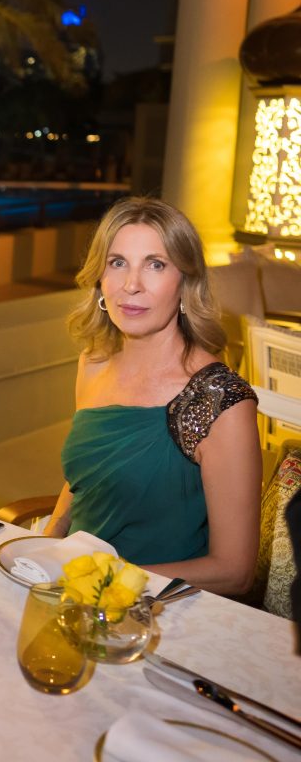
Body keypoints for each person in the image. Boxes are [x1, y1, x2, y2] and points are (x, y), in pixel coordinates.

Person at [42, 197, 261, 595]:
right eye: (117, 262)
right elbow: (86, 480)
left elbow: (233, 571)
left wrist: (107, 580)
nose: (131, 284)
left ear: (185, 283)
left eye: (155, 265)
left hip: (159, 608)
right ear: (100, 279)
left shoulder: (218, 399)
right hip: (70, 586)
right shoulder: (94, 363)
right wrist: (47, 544)